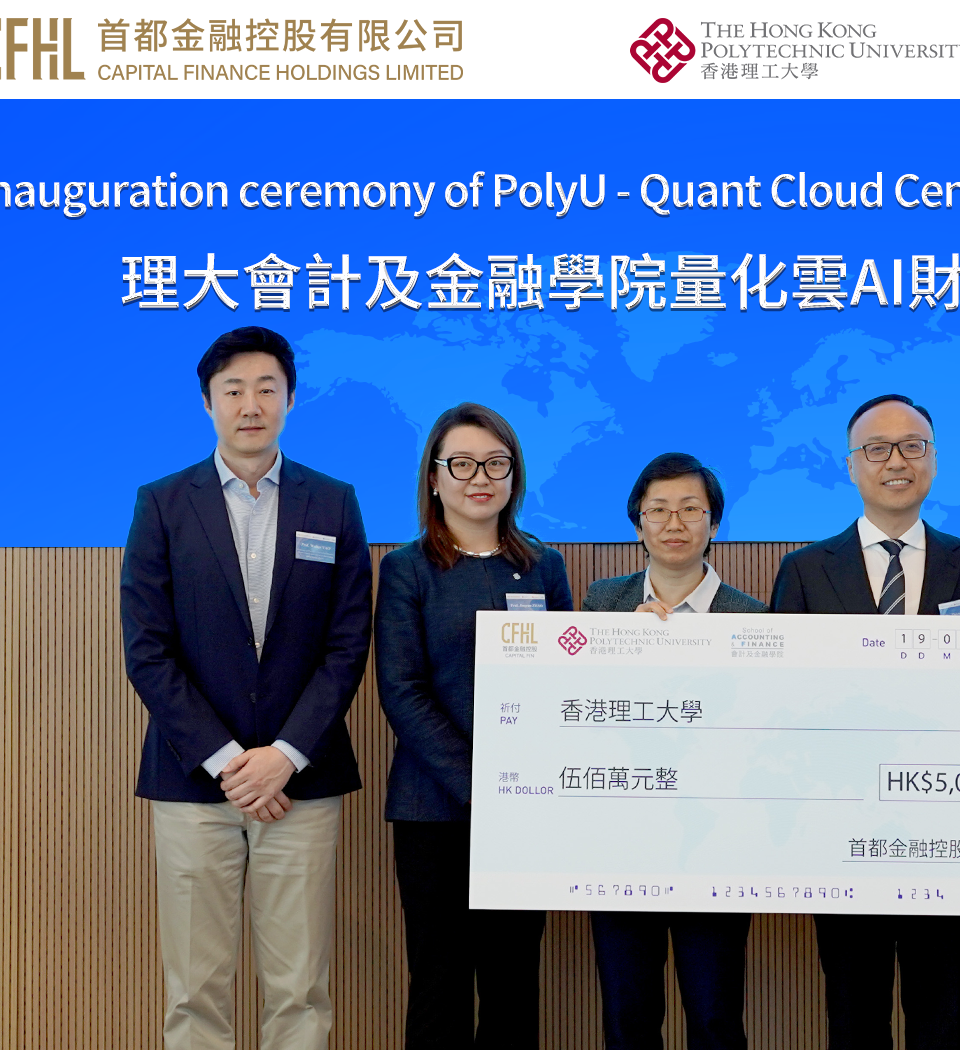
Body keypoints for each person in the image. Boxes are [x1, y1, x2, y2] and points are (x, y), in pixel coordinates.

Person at [121, 326, 372, 1050]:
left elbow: (346, 645)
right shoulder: (163, 504)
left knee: (300, 989)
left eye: (267, 388)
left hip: (302, 782)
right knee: (196, 991)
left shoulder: (334, 503)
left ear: (290, 399)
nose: (250, 403)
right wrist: (230, 760)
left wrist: (284, 754)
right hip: (194, 782)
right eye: (233, 390)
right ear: (208, 403)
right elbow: (148, 650)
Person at [768, 393, 960, 1050]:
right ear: (851, 466)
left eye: (912, 446)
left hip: (946, 830)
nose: (895, 461)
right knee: (854, 1014)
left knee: (943, 1014)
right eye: (877, 448)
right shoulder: (806, 571)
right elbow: (783, 703)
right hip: (841, 832)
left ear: (932, 461)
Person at [375, 402, 574, 1050]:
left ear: (514, 475)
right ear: (434, 477)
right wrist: (480, 784)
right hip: (434, 809)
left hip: (525, 811)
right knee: (440, 981)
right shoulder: (407, 569)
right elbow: (402, 692)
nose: (478, 477)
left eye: (495, 462)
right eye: (460, 463)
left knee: (514, 981)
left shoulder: (543, 566)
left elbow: (567, 677)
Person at [581, 452, 766, 1050]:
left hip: (715, 844)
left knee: (714, 1018)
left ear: (714, 523)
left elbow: (763, 734)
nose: (674, 523)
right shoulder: (601, 606)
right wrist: (623, 655)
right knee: (628, 1019)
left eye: (691, 509)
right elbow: (576, 715)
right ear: (638, 523)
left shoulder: (754, 617)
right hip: (620, 841)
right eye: (657, 510)